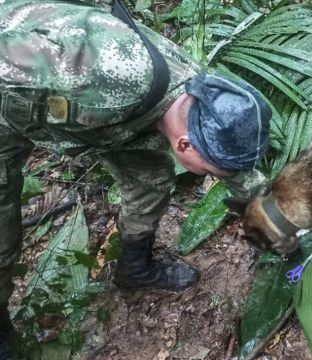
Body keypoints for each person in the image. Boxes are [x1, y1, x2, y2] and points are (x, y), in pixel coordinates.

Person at [0, 0, 271, 357]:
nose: (214, 178)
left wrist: (278, 219)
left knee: (152, 179)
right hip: (10, 107)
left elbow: (236, 170)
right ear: (185, 144)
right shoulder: (105, 74)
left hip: (106, 123)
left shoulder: (201, 97)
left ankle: (134, 268)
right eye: (210, 173)